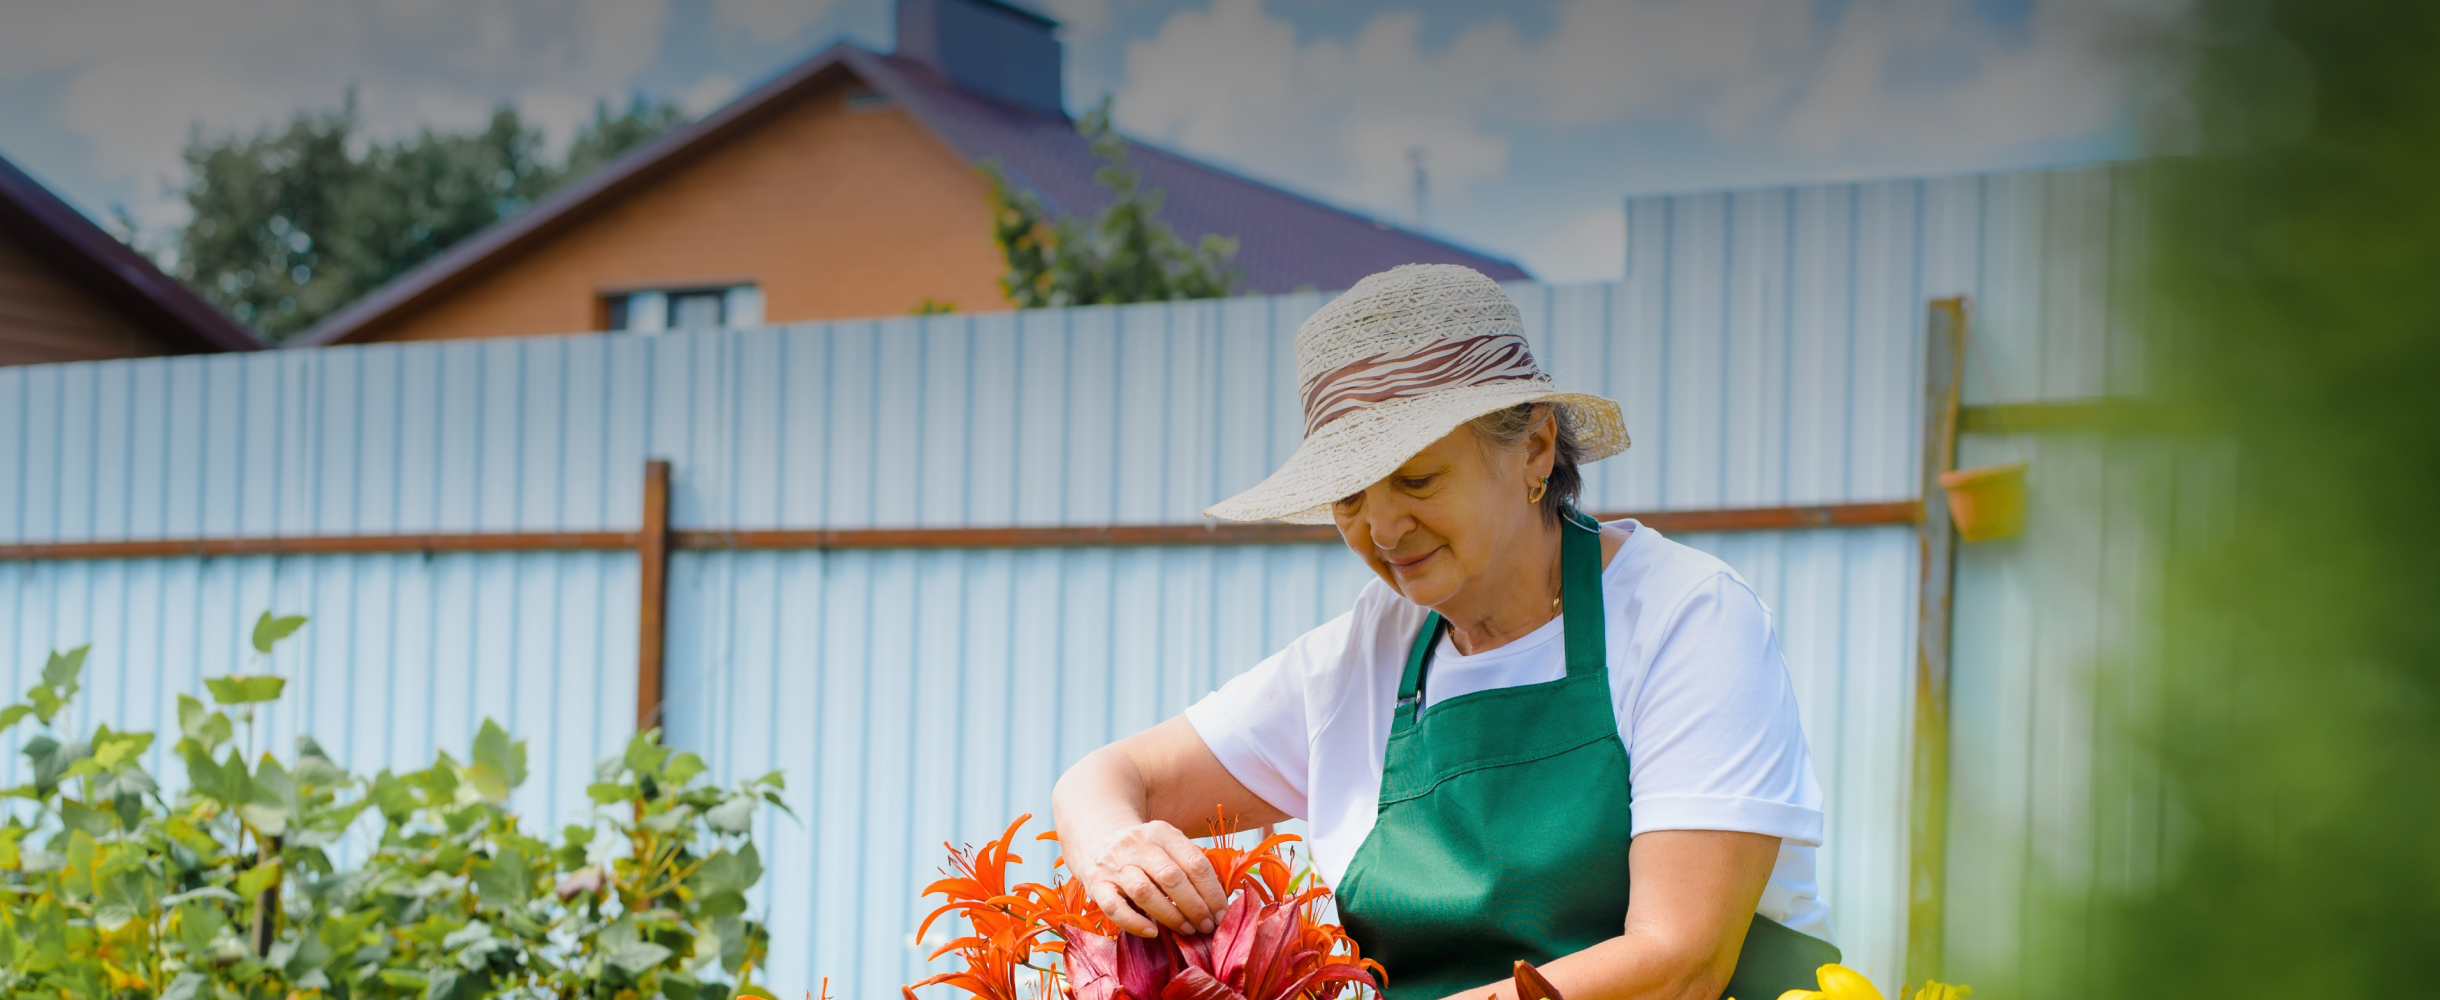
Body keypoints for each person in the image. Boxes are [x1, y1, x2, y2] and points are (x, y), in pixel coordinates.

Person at [1051, 264, 1838, 1000]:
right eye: (1350, 497)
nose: (1384, 527)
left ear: (1534, 448)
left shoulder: (1685, 616)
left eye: (1418, 479)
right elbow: (1111, 778)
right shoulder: (1363, 656)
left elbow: (1681, 961)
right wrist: (1113, 847)